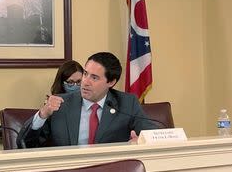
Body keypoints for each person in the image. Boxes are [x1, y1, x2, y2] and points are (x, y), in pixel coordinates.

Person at [18, 51, 157, 148]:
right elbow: (24, 143)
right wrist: (42, 114)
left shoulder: (127, 103)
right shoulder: (61, 104)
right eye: (85, 74)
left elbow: (155, 135)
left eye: (94, 78)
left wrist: (141, 142)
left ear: (111, 82)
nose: (85, 82)